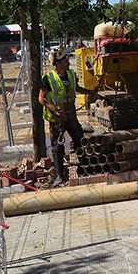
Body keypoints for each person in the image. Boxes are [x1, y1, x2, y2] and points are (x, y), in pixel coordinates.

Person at [39, 48, 98, 186]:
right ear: (57, 63)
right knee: (57, 147)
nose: (67, 61)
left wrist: (90, 92)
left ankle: (84, 168)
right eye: (65, 60)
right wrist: (55, 110)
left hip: (71, 117)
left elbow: (76, 88)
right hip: (56, 120)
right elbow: (41, 98)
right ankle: (59, 176)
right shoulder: (48, 78)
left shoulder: (71, 74)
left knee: (80, 140)